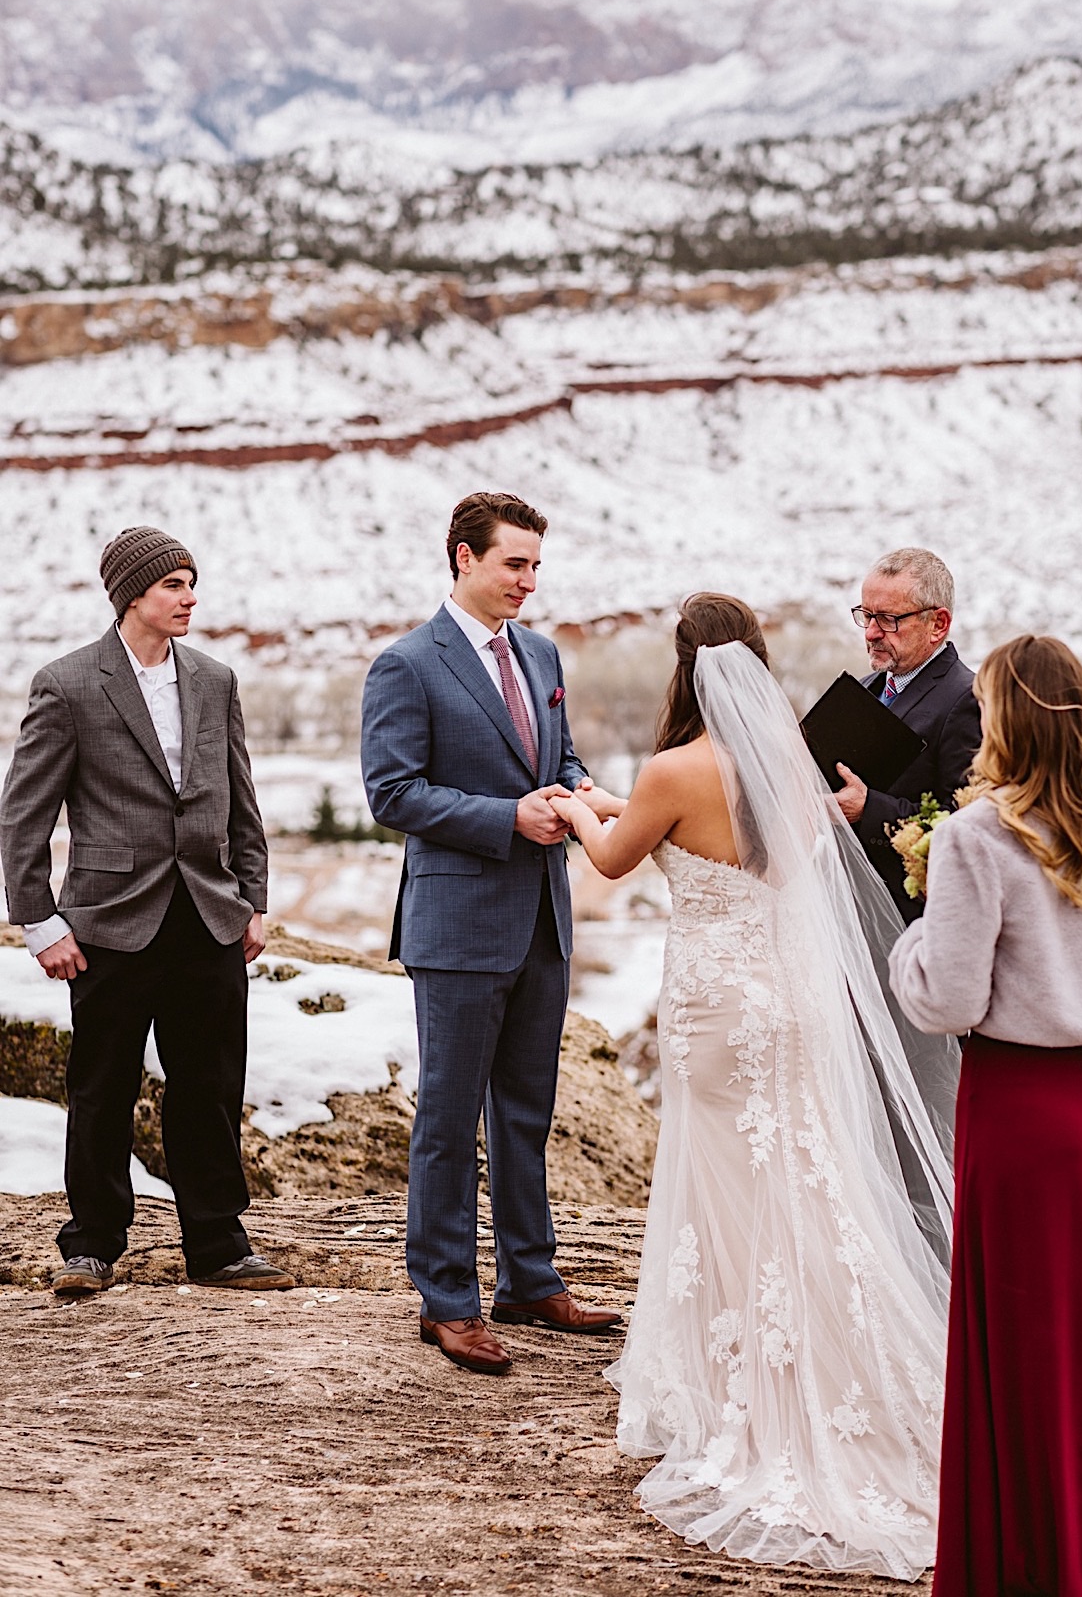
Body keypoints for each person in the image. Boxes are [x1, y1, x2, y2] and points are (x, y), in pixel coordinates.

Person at [550, 593, 959, 1577]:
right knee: (810, 1192)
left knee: (731, 1200)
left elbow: (616, 856)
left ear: (683, 667)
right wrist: (620, 807)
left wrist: (573, 807)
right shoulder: (791, 761)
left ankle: (748, 1383)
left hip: (717, 1020)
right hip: (792, 1008)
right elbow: (707, 838)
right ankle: (833, 1367)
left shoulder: (672, 769)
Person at [889, 635, 1082, 1595]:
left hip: (1019, 1108)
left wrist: (914, 940)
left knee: (1027, 1360)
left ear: (1003, 723)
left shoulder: (978, 837)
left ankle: (1033, 1568)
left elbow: (945, 1000)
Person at [360, 492, 620, 1376]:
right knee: (448, 1117)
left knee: (526, 1111)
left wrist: (570, 793)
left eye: (536, 565)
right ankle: (447, 1301)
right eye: (515, 563)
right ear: (464, 558)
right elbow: (392, 794)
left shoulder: (541, 653)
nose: (529, 582)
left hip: (543, 916)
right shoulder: (407, 665)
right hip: (459, 923)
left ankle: (529, 1279)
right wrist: (509, 816)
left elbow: (563, 756)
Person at [0, 526, 292, 1295]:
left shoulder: (215, 679)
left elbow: (241, 802)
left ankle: (220, 1247)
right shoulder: (66, 684)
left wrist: (251, 900)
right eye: (174, 584)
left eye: (192, 582)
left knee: (210, 1083)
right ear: (133, 593)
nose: (190, 597)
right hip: (108, 922)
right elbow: (23, 815)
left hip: (207, 916)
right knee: (102, 1086)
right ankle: (91, 1245)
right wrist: (40, 921)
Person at [834, 548, 980, 921]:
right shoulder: (865, 689)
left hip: (913, 921)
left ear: (938, 624)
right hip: (850, 910)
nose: (871, 632)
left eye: (887, 619)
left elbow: (966, 824)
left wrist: (868, 809)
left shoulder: (968, 699)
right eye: (866, 615)